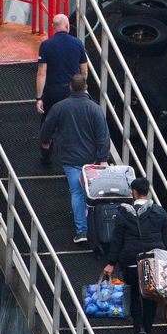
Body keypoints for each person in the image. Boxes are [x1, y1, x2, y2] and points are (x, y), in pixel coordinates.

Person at [103, 178, 167, 334]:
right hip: (153, 262)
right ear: (147, 191)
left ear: (134, 192)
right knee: (150, 298)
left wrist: (111, 263)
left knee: (134, 295)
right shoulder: (159, 212)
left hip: (131, 261)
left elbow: (117, 240)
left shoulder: (124, 213)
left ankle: (137, 331)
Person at [40, 74, 109, 244]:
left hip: (70, 159)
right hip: (91, 159)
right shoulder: (94, 108)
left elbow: (46, 127)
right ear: (85, 87)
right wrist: (103, 159)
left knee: (77, 193)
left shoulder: (59, 107)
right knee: (94, 194)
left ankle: (82, 231)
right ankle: (99, 229)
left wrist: (46, 142)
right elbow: (103, 136)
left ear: (70, 87)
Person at [36, 14, 89, 166]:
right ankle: (73, 159)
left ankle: (46, 157)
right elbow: (84, 71)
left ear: (53, 27)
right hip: (71, 91)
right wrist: (82, 87)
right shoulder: (77, 43)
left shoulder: (46, 45)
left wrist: (39, 97)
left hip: (52, 91)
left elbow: (41, 72)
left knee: (48, 122)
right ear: (67, 26)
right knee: (72, 123)